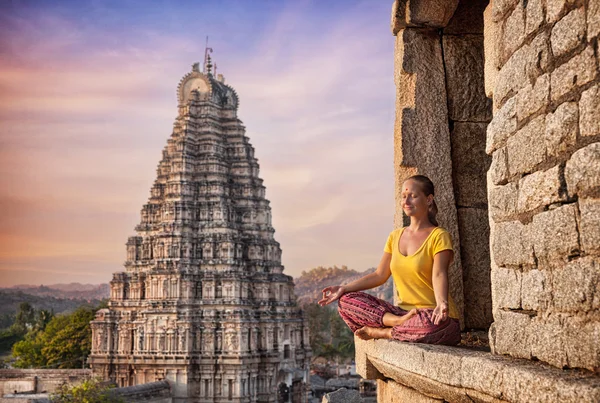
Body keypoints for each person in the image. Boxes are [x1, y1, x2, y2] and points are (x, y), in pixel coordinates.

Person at [318, 175, 460, 345]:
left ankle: (381, 332)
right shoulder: (395, 237)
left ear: (429, 200)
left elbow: (439, 273)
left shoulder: (439, 236)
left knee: (428, 327)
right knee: (346, 302)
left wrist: (442, 303)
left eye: (413, 196)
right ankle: (397, 324)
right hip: (400, 313)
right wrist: (344, 288)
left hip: (433, 316)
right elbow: (380, 275)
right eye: (403, 196)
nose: (406, 201)